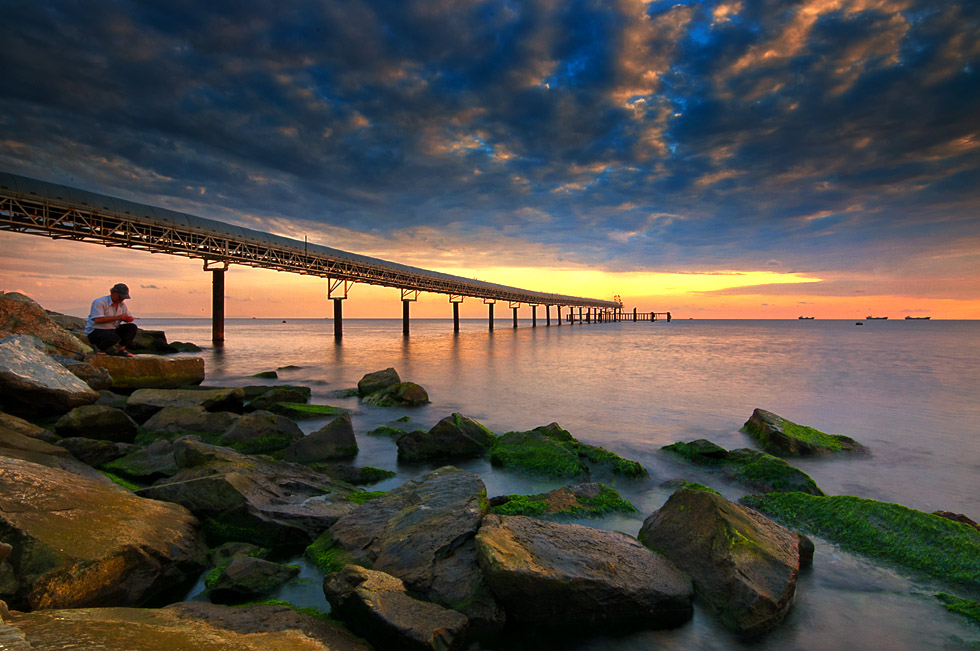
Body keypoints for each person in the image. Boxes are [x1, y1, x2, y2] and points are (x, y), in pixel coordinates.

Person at [85, 283, 137, 356]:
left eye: (123, 297)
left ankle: (121, 349)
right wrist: (118, 317)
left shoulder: (122, 305)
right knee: (113, 337)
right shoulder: (100, 302)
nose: (122, 299)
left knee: (132, 327)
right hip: (96, 331)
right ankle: (99, 348)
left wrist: (128, 319)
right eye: (120, 296)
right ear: (112, 293)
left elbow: (128, 317)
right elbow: (97, 319)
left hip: (112, 329)